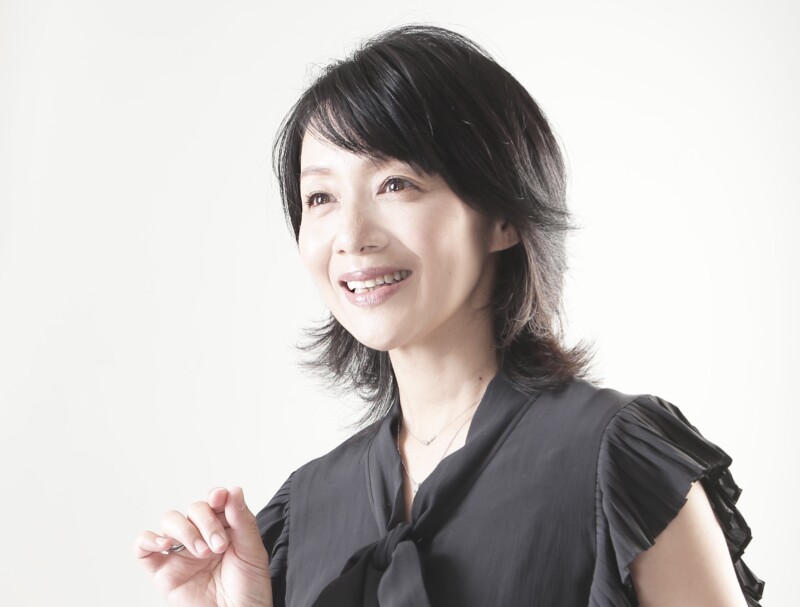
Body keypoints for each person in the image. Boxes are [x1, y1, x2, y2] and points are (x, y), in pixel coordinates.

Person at [134, 25, 763, 606]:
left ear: (503, 216)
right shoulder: (306, 509)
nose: (351, 236)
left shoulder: (613, 460)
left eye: (396, 184)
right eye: (320, 196)